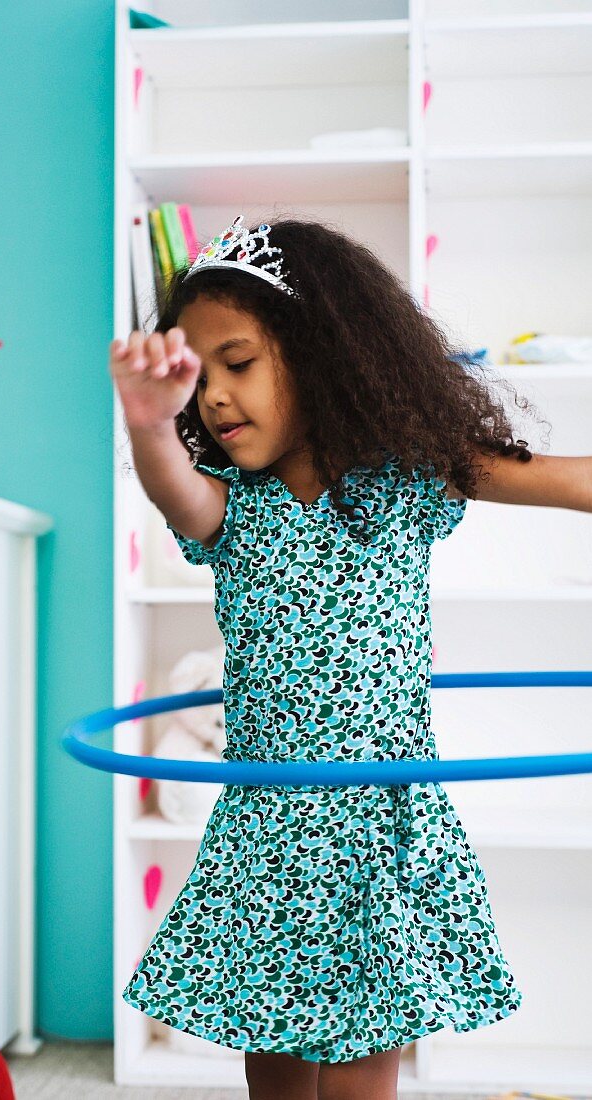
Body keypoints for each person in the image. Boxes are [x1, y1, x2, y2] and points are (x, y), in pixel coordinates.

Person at [109, 214, 592, 1100]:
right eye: (197, 376)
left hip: (381, 825)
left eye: (240, 363)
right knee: (278, 1067)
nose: (214, 397)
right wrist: (148, 423)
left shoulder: (406, 478)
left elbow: (562, 478)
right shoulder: (233, 509)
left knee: (366, 1063)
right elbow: (175, 492)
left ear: (324, 353)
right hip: (271, 830)